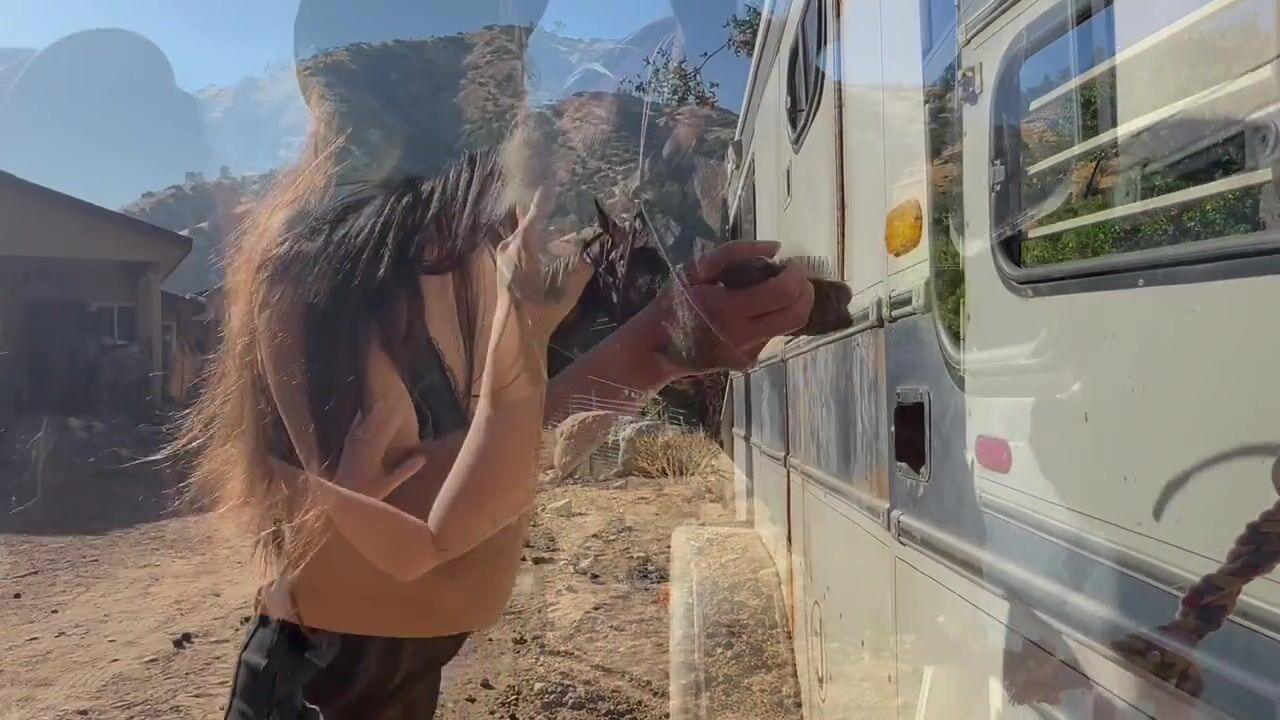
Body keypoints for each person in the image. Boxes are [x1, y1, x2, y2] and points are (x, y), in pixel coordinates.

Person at [170, 4, 814, 719]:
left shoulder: (461, 255)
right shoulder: (326, 268)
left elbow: (497, 466)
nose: (519, 82)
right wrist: (643, 353)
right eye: (489, 48)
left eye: (511, 50)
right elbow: (412, 539)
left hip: (388, 681)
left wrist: (660, 347)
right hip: (322, 692)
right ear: (411, 68)